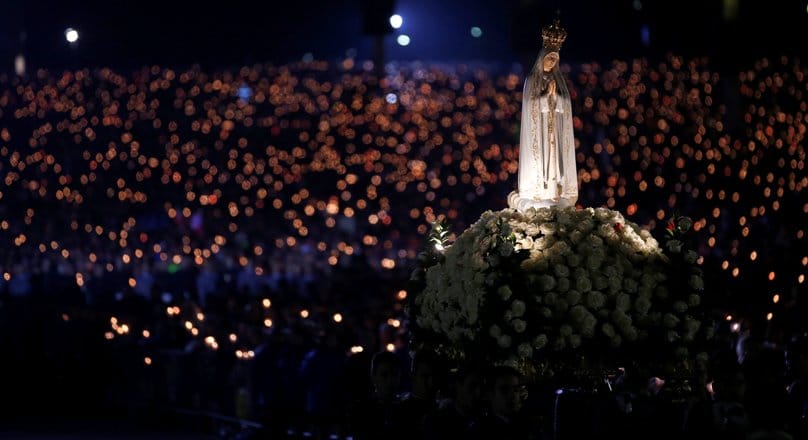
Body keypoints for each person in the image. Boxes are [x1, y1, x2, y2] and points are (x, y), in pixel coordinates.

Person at [508, 19, 578, 211]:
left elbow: (565, 104)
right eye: (549, 59)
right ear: (543, 58)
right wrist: (546, 96)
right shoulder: (532, 79)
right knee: (542, 162)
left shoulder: (558, 80)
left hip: (554, 128)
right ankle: (539, 188)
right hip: (539, 128)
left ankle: (555, 189)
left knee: (554, 162)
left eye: (555, 60)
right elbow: (530, 103)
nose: (552, 62)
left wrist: (556, 97)